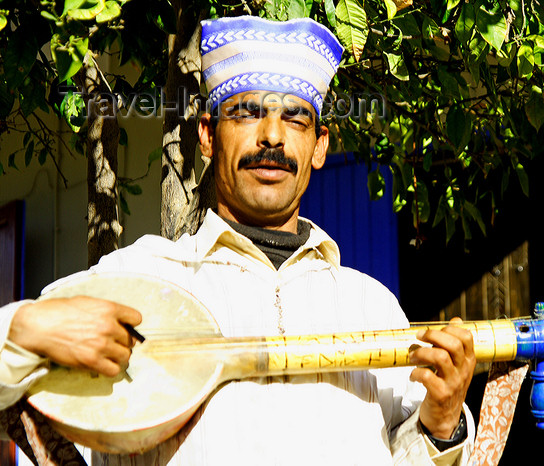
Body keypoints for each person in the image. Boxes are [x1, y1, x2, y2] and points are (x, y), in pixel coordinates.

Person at [0, 16, 476, 465]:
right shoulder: (136, 280)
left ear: (320, 146)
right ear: (207, 135)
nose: (272, 136)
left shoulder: (371, 306)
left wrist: (439, 423)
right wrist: (23, 332)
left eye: (295, 120)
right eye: (246, 115)